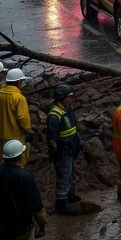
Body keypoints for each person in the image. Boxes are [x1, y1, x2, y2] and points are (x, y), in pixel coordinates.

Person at [0, 140, 46, 240]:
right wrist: (42, 224)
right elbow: (37, 205)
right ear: (20, 156)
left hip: (1, 227)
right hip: (22, 227)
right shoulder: (26, 177)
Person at [46, 85, 84, 214]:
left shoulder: (67, 110)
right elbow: (52, 138)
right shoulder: (54, 116)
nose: (72, 99)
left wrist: (79, 142)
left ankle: (70, 196)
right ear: (62, 99)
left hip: (71, 148)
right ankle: (61, 203)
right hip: (63, 151)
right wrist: (56, 152)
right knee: (64, 176)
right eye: (69, 97)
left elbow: (73, 130)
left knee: (70, 174)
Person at [0, 68, 31, 165]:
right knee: (18, 160)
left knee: (3, 159)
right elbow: (22, 117)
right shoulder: (19, 98)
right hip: (15, 135)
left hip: (0, 134)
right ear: (18, 82)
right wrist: (28, 130)